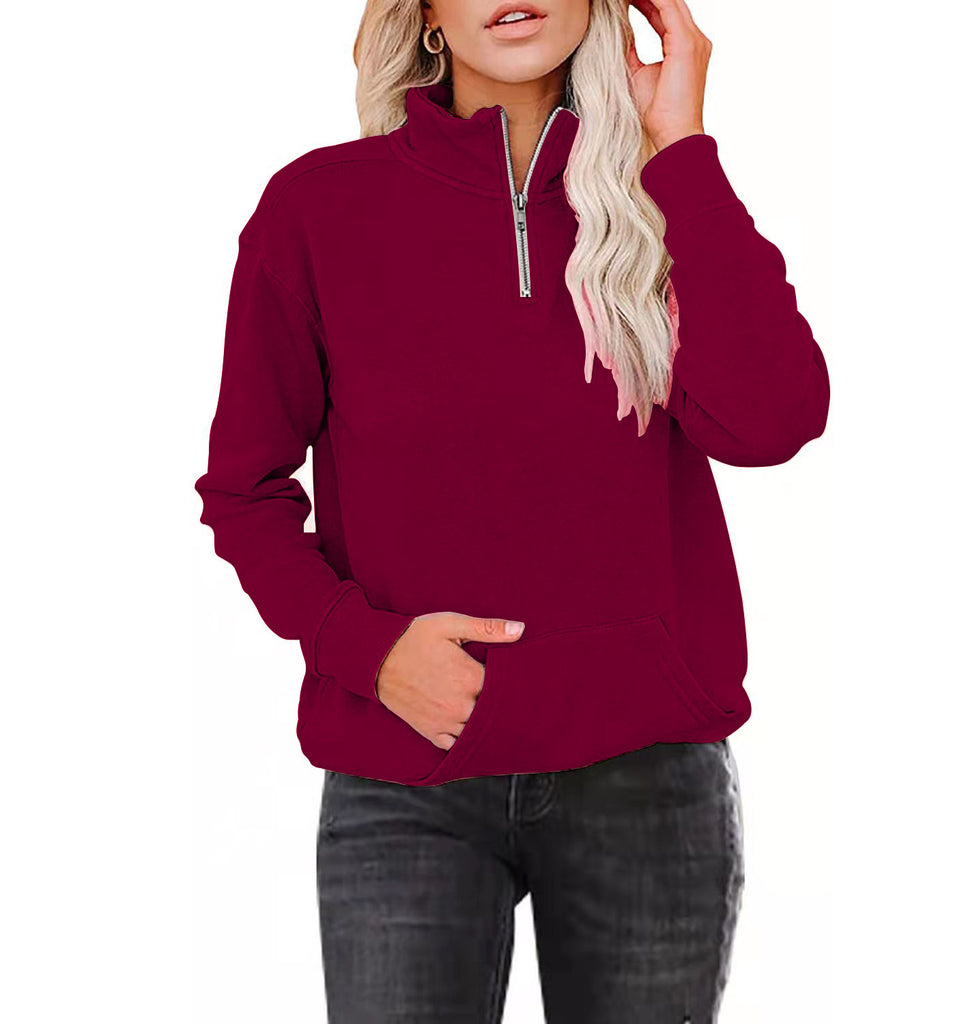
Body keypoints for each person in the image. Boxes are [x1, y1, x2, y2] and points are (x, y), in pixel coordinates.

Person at [194, 0, 829, 1020]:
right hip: (405, 774)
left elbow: (776, 419)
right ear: (426, 14)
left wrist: (682, 148)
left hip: (646, 775)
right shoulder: (318, 210)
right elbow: (244, 491)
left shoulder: (659, 201)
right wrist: (366, 649)